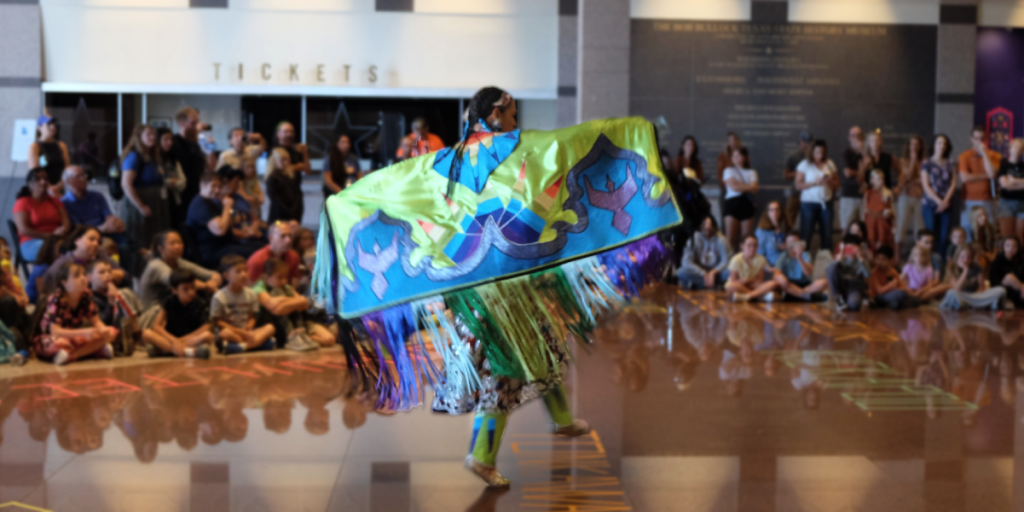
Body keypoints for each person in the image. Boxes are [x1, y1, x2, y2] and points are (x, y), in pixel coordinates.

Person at [34, 262, 119, 365]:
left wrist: (102, 331)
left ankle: (73, 355)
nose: (83, 278)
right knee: (54, 344)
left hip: (74, 335)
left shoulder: (86, 296)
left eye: (84, 274)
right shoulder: (57, 299)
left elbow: (97, 322)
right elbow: (55, 331)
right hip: (53, 336)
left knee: (112, 332)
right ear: (64, 282)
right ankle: (94, 350)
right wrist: (84, 332)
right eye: (77, 276)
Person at [253, 258, 333, 351]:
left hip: (298, 322)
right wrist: (297, 301)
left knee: (329, 339)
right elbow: (277, 309)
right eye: (279, 277)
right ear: (266, 277)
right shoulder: (258, 288)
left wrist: (284, 300)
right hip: (275, 324)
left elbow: (304, 305)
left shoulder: (287, 288)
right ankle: (292, 336)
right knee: (277, 292)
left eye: (286, 277)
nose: (284, 281)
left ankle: (302, 336)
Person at [186, 172, 259, 269]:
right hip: (212, 251)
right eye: (213, 186)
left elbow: (229, 224)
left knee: (261, 246)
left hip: (225, 244)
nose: (217, 190)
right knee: (256, 253)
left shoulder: (212, 202)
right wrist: (227, 206)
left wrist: (247, 232)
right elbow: (220, 230)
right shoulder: (200, 204)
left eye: (219, 187)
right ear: (202, 185)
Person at [120, 124, 171, 262]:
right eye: (148, 134)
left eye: (153, 134)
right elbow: (126, 184)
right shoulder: (134, 156)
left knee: (156, 240)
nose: (152, 137)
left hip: (157, 203)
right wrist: (140, 205)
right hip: (140, 204)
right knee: (141, 240)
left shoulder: (154, 156)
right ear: (138, 137)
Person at [137, 230, 221, 311]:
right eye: (172, 243)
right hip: (155, 313)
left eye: (180, 242)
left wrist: (213, 282)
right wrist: (207, 286)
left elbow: (214, 274)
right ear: (160, 248)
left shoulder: (179, 261)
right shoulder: (156, 265)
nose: (177, 246)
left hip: (173, 310)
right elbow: (179, 282)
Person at [142, 268, 214, 359]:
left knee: (208, 336)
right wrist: (173, 340)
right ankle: (189, 352)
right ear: (174, 290)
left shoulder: (200, 303)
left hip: (189, 339)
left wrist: (179, 341)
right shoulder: (169, 301)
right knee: (146, 333)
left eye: (193, 287)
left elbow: (205, 327)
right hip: (171, 338)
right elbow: (157, 326)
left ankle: (162, 350)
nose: (191, 292)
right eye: (185, 289)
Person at [211, 255, 276, 354]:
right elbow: (218, 323)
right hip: (232, 333)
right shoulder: (219, 296)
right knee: (224, 334)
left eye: (245, 270)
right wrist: (240, 332)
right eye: (238, 271)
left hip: (247, 332)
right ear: (226, 275)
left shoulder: (251, 293)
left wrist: (249, 327)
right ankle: (258, 344)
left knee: (270, 328)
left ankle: (239, 347)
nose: (244, 274)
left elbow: (252, 317)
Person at [40, 225, 124, 297]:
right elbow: (50, 294)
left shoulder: (100, 255)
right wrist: (97, 276)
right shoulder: (62, 264)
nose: (96, 244)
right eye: (91, 239)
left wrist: (102, 275)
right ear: (77, 241)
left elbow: (124, 275)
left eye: (98, 241)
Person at [12, 168, 71, 263]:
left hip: (57, 240)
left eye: (45, 178)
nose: (43, 181)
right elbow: (23, 229)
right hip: (31, 242)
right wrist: (51, 236)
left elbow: (66, 221)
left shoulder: (55, 201)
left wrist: (63, 230)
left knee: (78, 246)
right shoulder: (23, 202)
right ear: (30, 184)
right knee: (62, 251)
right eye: (38, 179)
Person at [85, 259, 139, 356]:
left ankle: (132, 337)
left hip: (116, 329)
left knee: (125, 293)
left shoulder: (111, 293)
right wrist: (110, 302)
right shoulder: (89, 298)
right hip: (102, 332)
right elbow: (103, 323)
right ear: (89, 277)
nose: (107, 275)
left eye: (109, 271)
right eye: (102, 272)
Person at [796, 139, 838, 255]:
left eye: (823, 152)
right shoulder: (804, 164)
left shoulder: (830, 164)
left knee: (827, 236)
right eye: (818, 152)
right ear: (812, 152)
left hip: (826, 203)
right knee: (806, 234)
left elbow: (837, 184)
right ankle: (804, 265)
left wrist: (828, 181)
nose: (820, 155)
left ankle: (825, 267)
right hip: (808, 204)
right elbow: (798, 185)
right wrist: (815, 183)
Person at [61, 165, 125, 236]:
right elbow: (78, 228)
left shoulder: (97, 196)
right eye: (78, 176)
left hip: (106, 231)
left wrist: (114, 222)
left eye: (84, 175)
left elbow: (108, 216)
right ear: (68, 181)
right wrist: (102, 229)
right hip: (86, 236)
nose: (84, 178)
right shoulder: (65, 203)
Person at [921, 134, 958, 257]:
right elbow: (926, 185)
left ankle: (942, 264)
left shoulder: (951, 163)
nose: (942, 146)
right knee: (930, 235)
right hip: (930, 203)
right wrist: (939, 202)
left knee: (944, 236)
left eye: (944, 144)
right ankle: (930, 261)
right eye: (939, 143)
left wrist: (945, 201)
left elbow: (953, 183)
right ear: (934, 145)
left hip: (946, 204)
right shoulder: (926, 163)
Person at [940, 244, 1008, 311]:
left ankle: (971, 306)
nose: (966, 260)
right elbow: (957, 289)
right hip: (962, 296)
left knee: (1001, 290)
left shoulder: (976, 266)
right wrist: (965, 270)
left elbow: (982, 287)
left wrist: (976, 297)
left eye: (968, 257)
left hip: (976, 295)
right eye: (962, 257)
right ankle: (978, 306)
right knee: (951, 293)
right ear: (957, 256)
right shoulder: (951, 267)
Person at [170, 107, 207, 224]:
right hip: (182, 195)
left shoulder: (196, 144)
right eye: (193, 123)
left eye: (197, 122)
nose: (196, 126)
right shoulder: (175, 143)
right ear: (182, 123)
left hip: (197, 192)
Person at [958, 127, 1000, 231]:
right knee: (968, 228)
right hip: (969, 198)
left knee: (989, 228)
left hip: (988, 198)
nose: (979, 141)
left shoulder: (993, 155)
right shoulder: (964, 156)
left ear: (986, 139)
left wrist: (985, 153)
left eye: (982, 138)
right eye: (976, 138)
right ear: (971, 139)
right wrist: (985, 176)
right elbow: (965, 178)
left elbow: (992, 173)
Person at [677, 216, 730, 290]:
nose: (707, 227)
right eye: (705, 224)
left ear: (714, 226)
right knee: (681, 272)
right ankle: (709, 285)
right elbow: (686, 262)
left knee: (730, 271)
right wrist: (703, 273)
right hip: (699, 274)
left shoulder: (721, 239)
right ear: (700, 226)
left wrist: (713, 272)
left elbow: (726, 261)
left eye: (709, 224)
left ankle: (699, 285)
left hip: (717, 274)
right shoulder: (693, 239)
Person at [721, 146, 759, 251]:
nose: (735, 158)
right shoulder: (728, 170)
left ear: (744, 157)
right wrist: (748, 187)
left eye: (738, 155)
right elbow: (734, 187)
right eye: (733, 155)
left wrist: (740, 185)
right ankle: (729, 263)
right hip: (732, 203)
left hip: (746, 203)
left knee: (745, 238)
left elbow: (755, 189)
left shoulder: (752, 172)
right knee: (730, 238)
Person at [216, 166, 263, 247]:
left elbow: (255, 219)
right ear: (226, 181)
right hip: (238, 240)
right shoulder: (218, 202)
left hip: (253, 233)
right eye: (236, 182)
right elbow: (227, 230)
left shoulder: (239, 197)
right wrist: (248, 233)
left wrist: (253, 229)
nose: (238, 186)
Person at [896, 135, 926, 260]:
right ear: (908, 146)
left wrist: (918, 178)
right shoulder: (903, 160)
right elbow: (908, 175)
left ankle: (917, 256)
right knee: (901, 226)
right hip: (905, 196)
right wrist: (913, 160)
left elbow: (924, 180)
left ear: (920, 147)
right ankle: (897, 256)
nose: (914, 147)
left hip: (920, 197)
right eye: (912, 144)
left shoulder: (924, 162)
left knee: (919, 228)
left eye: (917, 144)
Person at [773, 234, 828, 301]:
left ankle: (798, 295)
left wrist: (799, 257)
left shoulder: (806, 254)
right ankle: (807, 296)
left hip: (805, 285)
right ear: (785, 245)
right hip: (790, 285)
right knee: (780, 280)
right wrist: (780, 277)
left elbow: (808, 272)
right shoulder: (783, 256)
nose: (793, 245)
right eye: (790, 243)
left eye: (795, 242)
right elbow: (776, 274)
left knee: (823, 282)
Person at [725, 236, 778, 302]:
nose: (752, 248)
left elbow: (760, 281)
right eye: (749, 245)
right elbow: (734, 281)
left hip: (753, 285)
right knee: (732, 287)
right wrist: (743, 281)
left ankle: (748, 296)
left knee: (773, 283)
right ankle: (761, 296)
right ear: (742, 246)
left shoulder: (761, 259)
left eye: (755, 245)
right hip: (740, 286)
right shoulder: (735, 260)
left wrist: (749, 280)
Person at [826, 235, 871, 312]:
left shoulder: (862, 260)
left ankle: (849, 301)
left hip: (854, 289)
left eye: (852, 248)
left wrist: (860, 256)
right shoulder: (840, 258)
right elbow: (828, 271)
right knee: (831, 269)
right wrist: (838, 259)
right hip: (840, 289)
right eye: (848, 248)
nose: (850, 251)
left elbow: (868, 274)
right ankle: (839, 301)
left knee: (854, 305)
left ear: (859, 248)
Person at [28, 114, 70, 194]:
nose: (53, 127)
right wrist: (49, 187)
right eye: (49, 124)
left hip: (59, 189)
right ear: (39, 127)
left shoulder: (62, 146)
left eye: (54, 124)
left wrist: (59, 186)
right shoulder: (35, 147)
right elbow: (35, 173)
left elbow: (66, 170)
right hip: (42, 189)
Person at [867, 245, 918, 310]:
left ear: (890, 260)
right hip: (878, 297)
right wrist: (892, 285)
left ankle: (892, 304)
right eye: (878, 258)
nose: (879, 262)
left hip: (891, 294)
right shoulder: (874, 272)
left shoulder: (893, 271)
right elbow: (879, 291)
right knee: (901, 294)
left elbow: (901, 286)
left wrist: (912, 293)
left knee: (916, 300)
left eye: (883, 259)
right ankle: (892, 304)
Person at [840, 126, 868, 229]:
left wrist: (862, 150)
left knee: (864, 228)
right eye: (853, 135)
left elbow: (871, 169)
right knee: (847, 227)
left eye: (858, 135)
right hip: (849, 195)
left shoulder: (866, 154)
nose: (856, 138)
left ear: (863, 137)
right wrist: (862, 170)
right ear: (849, 138)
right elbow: (847, 173)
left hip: (865, 195)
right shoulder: (845, 153)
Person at [156, 127, 188, 221]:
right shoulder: (154, 160)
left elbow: (183, 181)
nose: (170, 142)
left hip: (175, 199)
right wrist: (170, 182)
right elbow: (159, 180)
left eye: (171, 139)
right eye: (166, 139)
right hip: (159, 201)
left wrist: (173, 184)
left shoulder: (173, 159)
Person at [266, 148, 304, 225]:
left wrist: (295, 209)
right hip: (279, 212)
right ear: (274, 161)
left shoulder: (291, 176)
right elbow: (275, 198)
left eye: (287, 160)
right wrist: (287, 211)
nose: (286, 163)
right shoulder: (272, 178)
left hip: (294, 211)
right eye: (282, 160)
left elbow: (297, 193)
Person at [783, 131, 813, 227]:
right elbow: (786, 175)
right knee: (789, 219)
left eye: (809, 142)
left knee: (808, 221)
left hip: (810, 194)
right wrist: (799, 173)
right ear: (800, 142)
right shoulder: (793, 156)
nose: (807, 144)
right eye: (805, 142)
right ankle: (787, 239)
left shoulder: (814, 157)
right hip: (795, 193)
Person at [997, 138, 1024, 240]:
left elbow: (1010, 184)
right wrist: (1021, 183)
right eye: (1016, 147)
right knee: (1006, 236)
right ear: (1010, 149)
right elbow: (1005, 185)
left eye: (1021, 148)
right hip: (1006, 203)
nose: (1018, 150)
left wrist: (1014, 181)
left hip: (1022, 203)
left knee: (1019, 237)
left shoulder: (1023, 166)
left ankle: (1019, 256)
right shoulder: (1004, 165)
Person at [863, 168, 895, 252]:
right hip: (870, 223)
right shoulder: (868, 192)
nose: (880, 181)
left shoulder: (887, 193)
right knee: (870, 244)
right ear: (872, 180)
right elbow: (864, 209)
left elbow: (891, 210)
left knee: (881, 246)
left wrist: (893, 223)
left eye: (881, 179)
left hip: (882, 224)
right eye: (878, 179)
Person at [989, 237, 1024, 308]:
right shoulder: (997, 261)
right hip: (1002, 289)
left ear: (1018, 248)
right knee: (1009, 277)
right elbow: (994, 282)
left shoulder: (1020, 260)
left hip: (1018, 290)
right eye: (1008, 245)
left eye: (1014, 246)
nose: (1011, 248)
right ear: (1003, 247)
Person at [755, 201, 789, 267]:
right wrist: (767, 267)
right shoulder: (761, 231)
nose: (775, 212)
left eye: (777, 210)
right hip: (771, 264)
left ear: (781, 211)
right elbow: (759, 253)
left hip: (788, 261)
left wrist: (789, 247)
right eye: (771, 210)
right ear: (767, 213)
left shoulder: (786, 228)